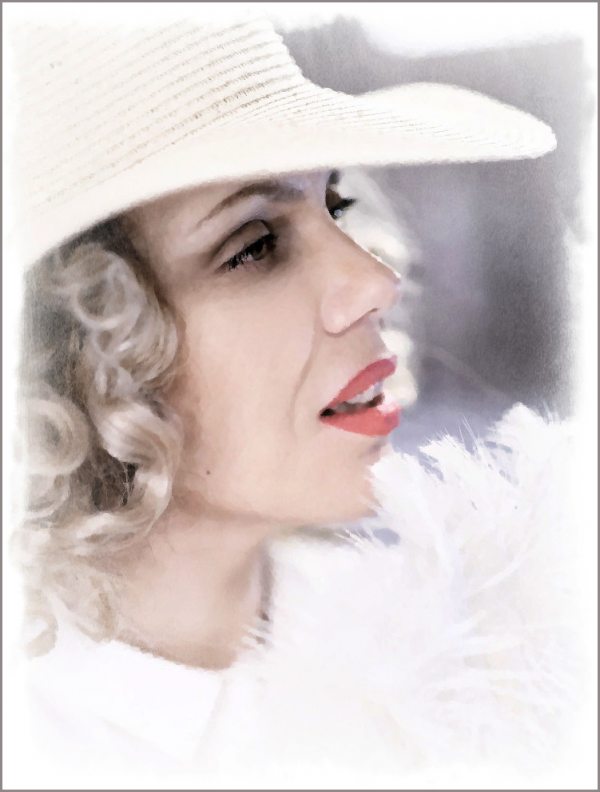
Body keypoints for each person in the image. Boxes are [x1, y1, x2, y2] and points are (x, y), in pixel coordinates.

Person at [6, 12, 579, 789]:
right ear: (65, 352)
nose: (375, 280)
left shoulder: (469, 659)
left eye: (335, 206)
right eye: (254, 246)